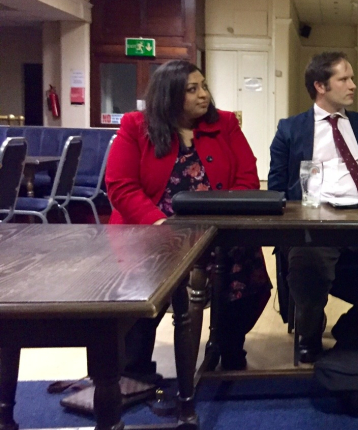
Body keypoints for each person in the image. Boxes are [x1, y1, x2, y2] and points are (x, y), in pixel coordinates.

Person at [106, 59, 272, 377]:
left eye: (204, 86)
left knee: (245, 265)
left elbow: (247, 178)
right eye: (192, 89)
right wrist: (160, 224)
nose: (203, 95)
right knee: (142, 282)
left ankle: (228, 345)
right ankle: (133, 369)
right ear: (169, 95)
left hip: (218, 229)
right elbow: (120, 186)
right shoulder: (135, 126)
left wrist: (224, 219)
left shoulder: (226, 123)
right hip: (152, 232)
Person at [268, 51, 358, 363]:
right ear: (320, 86)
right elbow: (277, 188)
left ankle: (354, 320)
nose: (353, 85)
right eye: (343, 79)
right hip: (316, 221)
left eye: (352, 78)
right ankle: (309, 331)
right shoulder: (290, 129)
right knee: (307, 260)